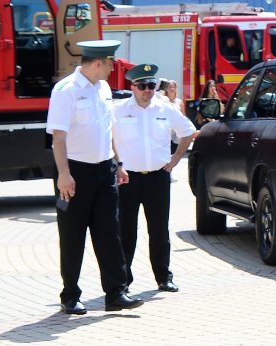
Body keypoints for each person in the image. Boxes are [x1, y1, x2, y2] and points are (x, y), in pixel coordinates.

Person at [47, 40, 144, 314]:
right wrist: (64, 174)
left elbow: (106, 128)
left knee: (109, 233)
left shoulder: (103, 88)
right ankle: (70, 295)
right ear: (98, 63)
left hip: (104, 170)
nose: (114, 68)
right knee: (73, 235)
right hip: (75, 172)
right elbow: (58, 137)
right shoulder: (65, 91)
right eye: (111, 62)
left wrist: (118, 162)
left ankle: (115, 293)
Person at [112, 63, 196, 293]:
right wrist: (117, 163)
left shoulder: (165, 108)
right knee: (125, 231)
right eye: (143, 86)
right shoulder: (118, 110)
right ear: (133, 87)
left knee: (159, 230)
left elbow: (189, 132)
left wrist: (176, 159)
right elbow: (107, 137)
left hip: (158, 177)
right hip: (128, 179)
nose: (148, 90)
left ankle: (163, 277)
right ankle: (123, 281)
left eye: (151, 85)